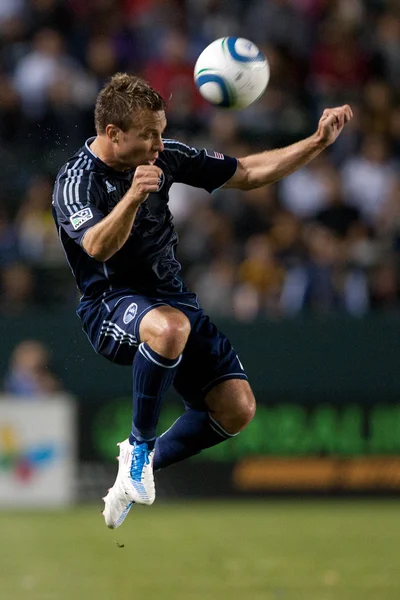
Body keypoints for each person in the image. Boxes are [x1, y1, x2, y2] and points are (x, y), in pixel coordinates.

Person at [52, 72, 352, 529]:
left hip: (174, 301)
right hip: (111, 305)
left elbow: (248, 173)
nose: (159, 143)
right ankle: (137, 450)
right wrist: (133, 196)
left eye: (162, 130)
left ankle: (137, 474)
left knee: (236, 409)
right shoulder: (75, 180)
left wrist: (316, 141)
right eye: (149, 135)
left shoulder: (166, 156)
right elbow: (95, 247)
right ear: (113, 134)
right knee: (168, 328)